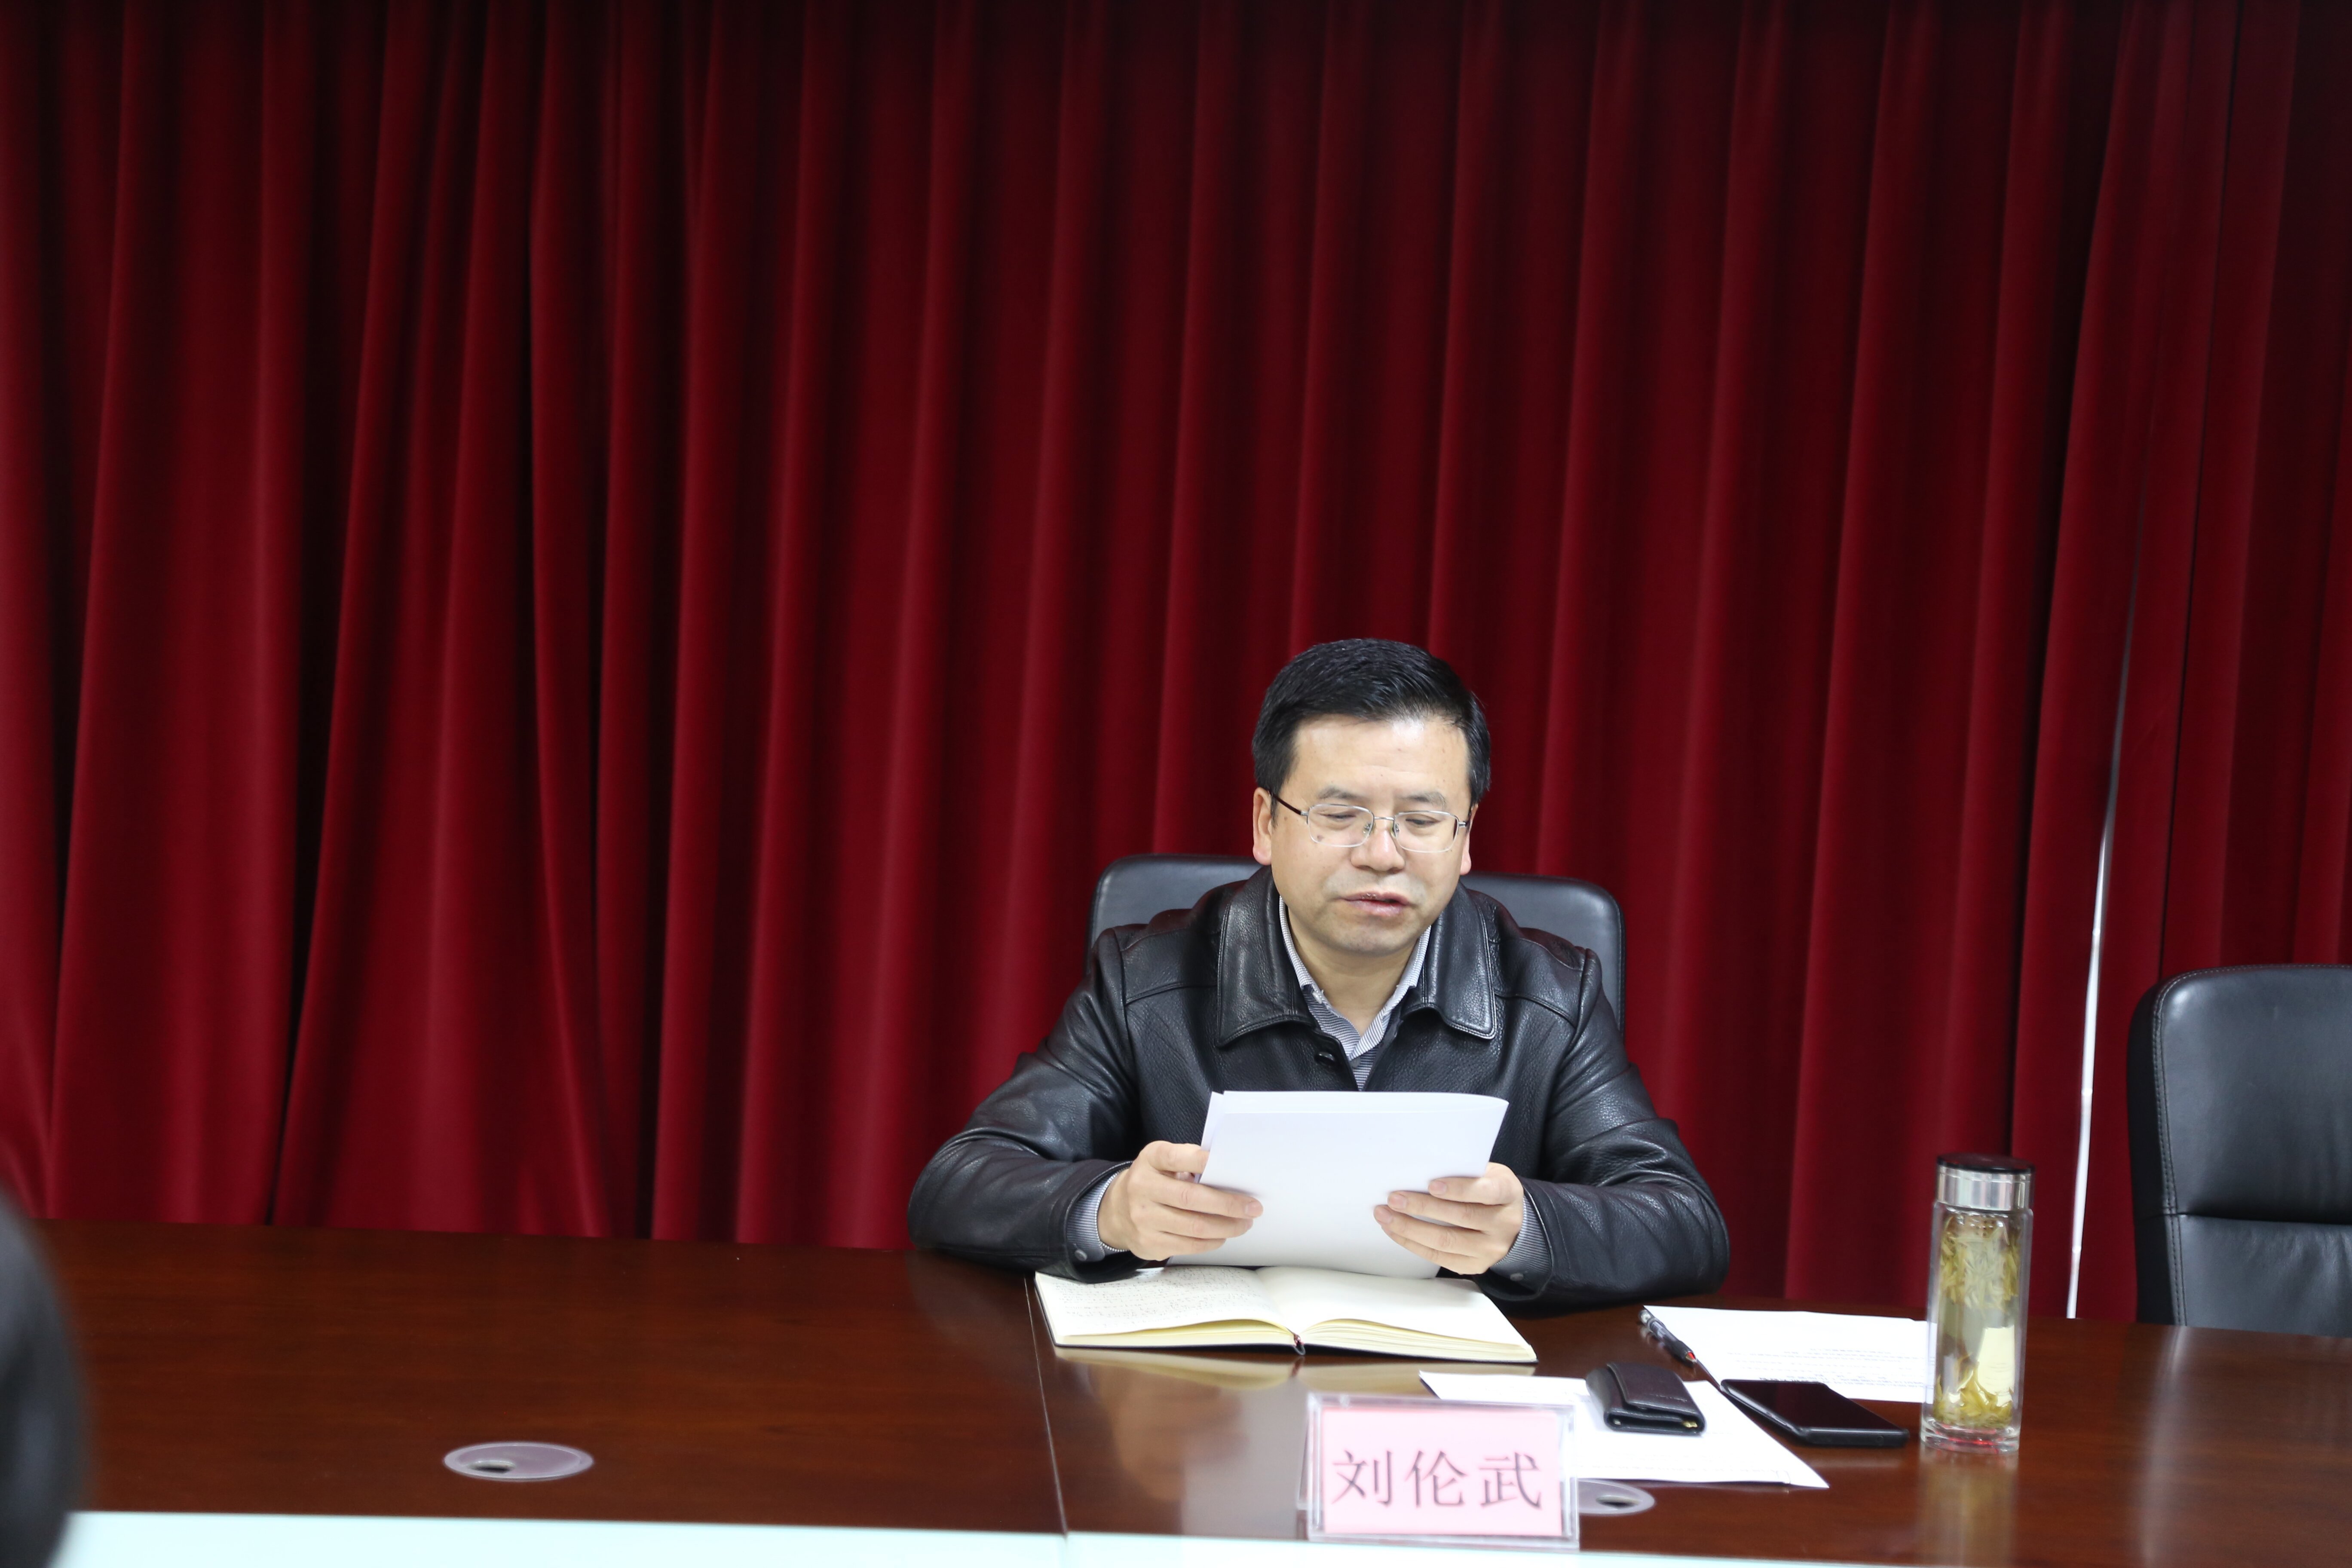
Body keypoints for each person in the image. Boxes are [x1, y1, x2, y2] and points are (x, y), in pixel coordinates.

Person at [908, 639, 1727, 1312]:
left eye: (1422, 819)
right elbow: (961, 1183)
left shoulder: (1550, 992)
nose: (1382, 853)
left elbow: (1684, 1222)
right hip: (1201, 1401)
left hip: (1447, 1407)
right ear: (1267, 823)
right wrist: (1111, 1209)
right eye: (1341, 816)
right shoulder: (1146, 977)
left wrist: (1529, 1227)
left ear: (1467, 837)